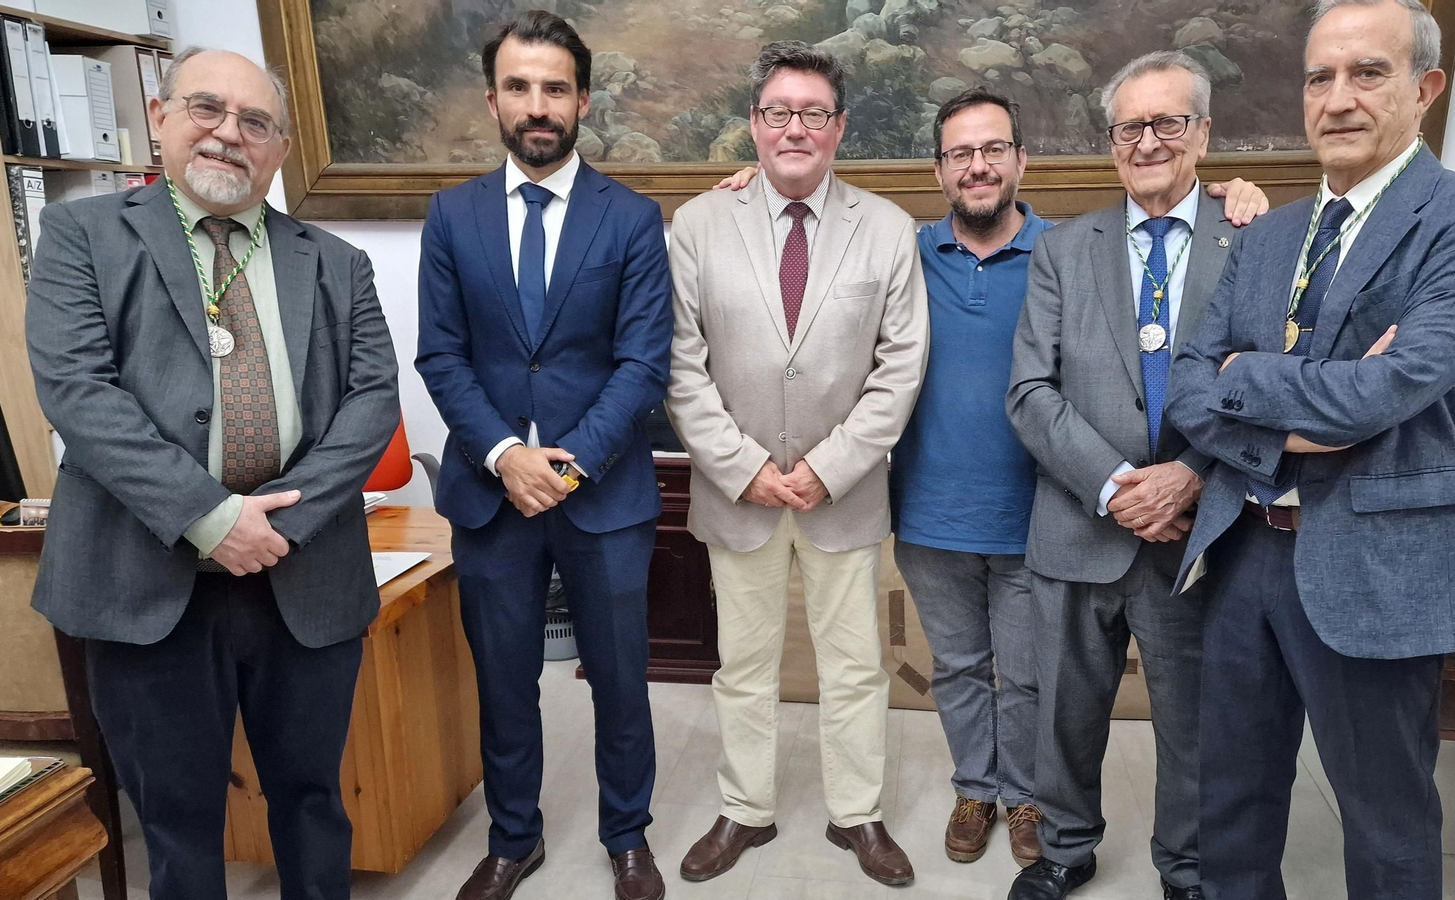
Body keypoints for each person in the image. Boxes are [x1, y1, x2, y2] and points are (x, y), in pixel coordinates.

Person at [715, 86, 1267, 873]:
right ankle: (976, 788)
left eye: (993, 150)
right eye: (960, 154)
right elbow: (809, 224)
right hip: (931, 510)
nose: (978, 166)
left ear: (1020, 160)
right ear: (940, 170)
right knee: (961, 670)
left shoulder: (1071, 251)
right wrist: (743, 179)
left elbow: (1161, 240)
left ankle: (1029, 799)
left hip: (1042, 512)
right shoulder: (900, 250)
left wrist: (1229, 191)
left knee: (1032, 679)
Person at [1163, 1, 1455, 896]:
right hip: (1243, 543)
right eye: (1320, 77)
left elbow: (1385, 393)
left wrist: (1249, 374)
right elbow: (1186, 385)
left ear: (1423, 88)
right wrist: (1302, 402)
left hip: (1380, 561)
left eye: (1368, 73)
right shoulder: (1271, 233)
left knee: (1387, 821)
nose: (1338, 98)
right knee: (1233, 806)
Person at [25, 48, 400, 900]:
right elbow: (79, 395)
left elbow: (373, 401)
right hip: (143, 582)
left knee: (313, 800)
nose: (230, 134)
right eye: (207, 108)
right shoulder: (81, 237)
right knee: (177, 819)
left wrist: (276, 527)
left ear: (280, 147)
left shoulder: (337, 263)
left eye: (256, 122)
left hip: (303, 578)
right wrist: (209, 516)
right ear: (160, 118)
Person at [414, 11, 672, 900]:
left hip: (602, 496)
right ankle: (513, 837)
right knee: (504, 681)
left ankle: (627, 836)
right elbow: (440, 356)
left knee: (621, 680)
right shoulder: (450, 217)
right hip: (491, 499)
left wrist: (564, 464)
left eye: (555, 88)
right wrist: (503, 457)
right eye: (519, 87)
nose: (537, 105)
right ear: (492, 99)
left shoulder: (633, 220)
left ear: (583, 100)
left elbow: (645, 362)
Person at [667, 40, 928, 888]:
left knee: (854, 665)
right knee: (742, 667)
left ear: (840, 127)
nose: (795, 129)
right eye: (778, 112)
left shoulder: (887, 229)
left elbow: (901, 367)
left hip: (842, 496)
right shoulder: (699, 224)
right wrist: (744, 467)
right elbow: (680, 364)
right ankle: (747, 809)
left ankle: (858, 813)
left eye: (814, 114)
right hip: (737, 492)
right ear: (753, 124)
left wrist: (829, 467)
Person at [1005, 52, 1257, 900]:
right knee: (1065, 716)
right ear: (1111, 139)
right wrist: (1118, 485)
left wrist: (1187, 475)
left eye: (1167, 122)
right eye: (1130, 126)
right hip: (1079, 524)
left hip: (1200, 533)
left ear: (1203, 134)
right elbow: (1030, 392)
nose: (1147, 141)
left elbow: (1267, 386)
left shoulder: (1253, 240)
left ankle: (1185, 869)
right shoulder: (1063, 249)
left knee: (1193, 723)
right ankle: (1066, 851)